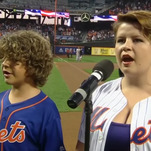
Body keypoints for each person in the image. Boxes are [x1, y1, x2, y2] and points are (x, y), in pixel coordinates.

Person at [75, 10, 151, 151]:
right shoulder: (98, 93)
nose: (126, 46)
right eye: (120, 40)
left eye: (137, 39)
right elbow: (81, 147)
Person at [0, 30, 66, 151]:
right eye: (5, 57)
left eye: (14, 60)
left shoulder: (46, 110)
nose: (4, 63)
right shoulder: (0, 98)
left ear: (33, 65)